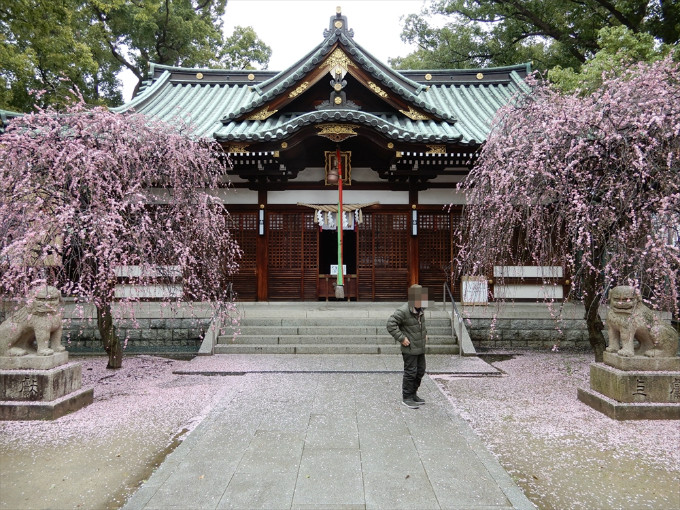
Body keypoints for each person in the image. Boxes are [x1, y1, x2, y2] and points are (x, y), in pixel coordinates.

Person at [387, 284, 428, 409]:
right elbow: (390, 324)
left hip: (420, 346)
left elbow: (421, 325)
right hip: (409, 347)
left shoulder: (421, 309)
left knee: (420, 371)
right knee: (411, 372)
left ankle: (413, 394)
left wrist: (425, 334)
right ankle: (407, 397)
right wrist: (401, 338)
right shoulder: (403, 311)